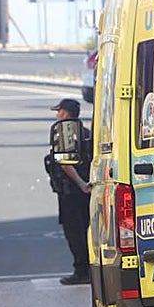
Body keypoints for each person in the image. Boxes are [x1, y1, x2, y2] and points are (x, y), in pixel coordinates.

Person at [48, 98, 92, 285]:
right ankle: (89, 268)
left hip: (71, 192)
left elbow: (66, 164)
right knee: (85, 229)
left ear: (66, 113)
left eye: (59, 111)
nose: (57, 115)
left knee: (74, 232)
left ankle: (81, 270)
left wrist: (81, 184)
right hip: (84, 192)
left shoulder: (65, 132)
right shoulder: (86, 131)